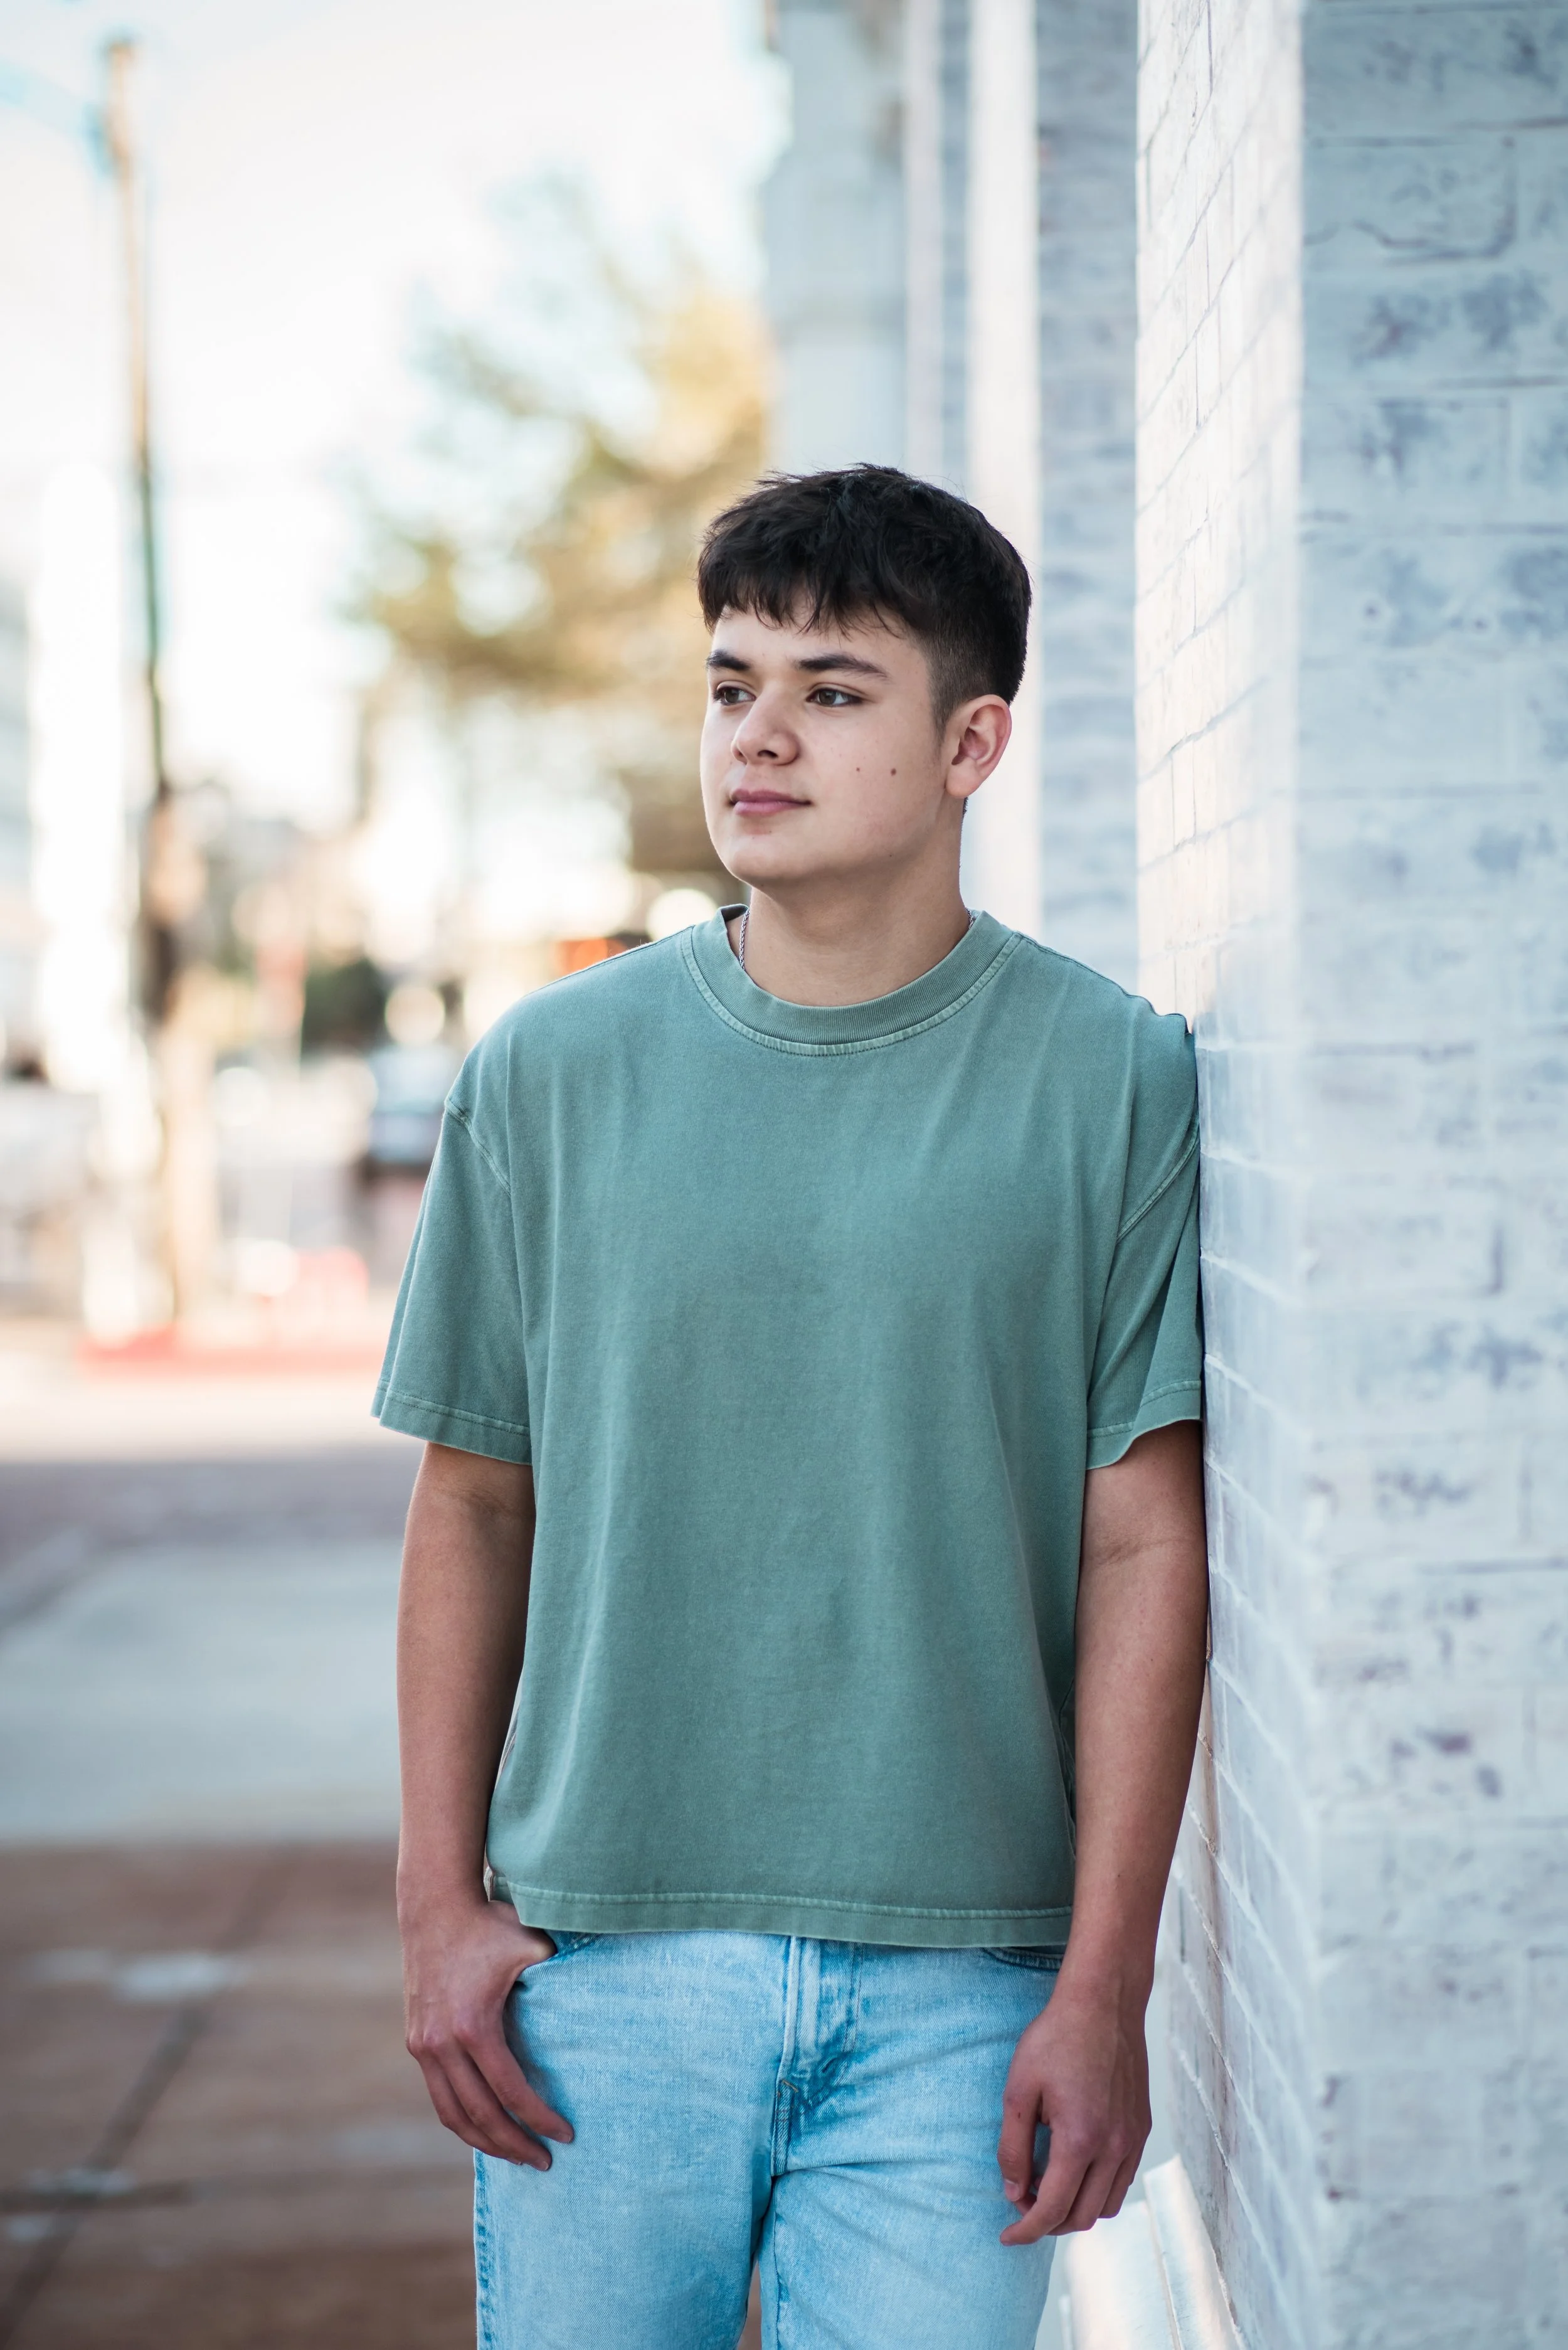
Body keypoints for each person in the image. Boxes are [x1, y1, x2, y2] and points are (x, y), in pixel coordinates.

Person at [377, 465, 1209, 2350]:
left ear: (968, 741)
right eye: (730, 679)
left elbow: (1146, 1533)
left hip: (966, 1992)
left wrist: (1103, 1984)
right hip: (598, 1964)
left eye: (833, 690)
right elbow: (472, 1506)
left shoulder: (1111, 1078)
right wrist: (438, 1909)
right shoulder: (550, 1074)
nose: (757, 730)